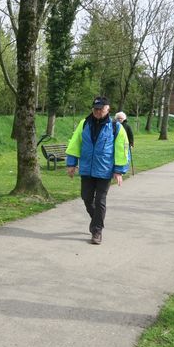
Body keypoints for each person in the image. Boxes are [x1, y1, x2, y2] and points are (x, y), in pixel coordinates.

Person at [66, 96, 129, 245]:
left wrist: (119, 170)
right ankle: (97, 221)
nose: (98, 111)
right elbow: (74, 144)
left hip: (105, 170)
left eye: (101, 108)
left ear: (108, 109)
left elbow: (122, 149)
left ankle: (97, 231)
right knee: (86, 198)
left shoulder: (116, 127)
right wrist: (71, 163)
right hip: (87, 169)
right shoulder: (84, 124)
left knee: (100, 200)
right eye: (95, 108)